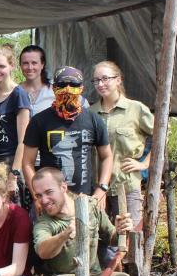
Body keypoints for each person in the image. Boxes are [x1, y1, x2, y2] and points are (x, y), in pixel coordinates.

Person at [22, 66, 114, 209]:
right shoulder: (39, 121)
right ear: (54, 88)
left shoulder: (93, 119)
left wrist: (102, 188)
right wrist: (37, 196)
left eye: (74, 85)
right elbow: (27, 162)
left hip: (85, 200)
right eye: (62, 85)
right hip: (50, 202)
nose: (68, 89)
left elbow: (107, 156)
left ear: (81, 88)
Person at [89, 61, 154, 227]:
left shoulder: (136, 109)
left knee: (130, 232)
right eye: (96, 80)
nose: (100, 84)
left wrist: (144, 164)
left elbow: (162, 136)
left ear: (118, 80)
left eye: (105, 79)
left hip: (126, 185)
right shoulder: (90, 113)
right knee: (101, 236)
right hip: (97, 189)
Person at [0, 45, 31, 208]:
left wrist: (14, 175)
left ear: (11, 66)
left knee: (11, 211)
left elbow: (23, 141)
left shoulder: (19, 95)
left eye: (1, 66)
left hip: (10, 162)